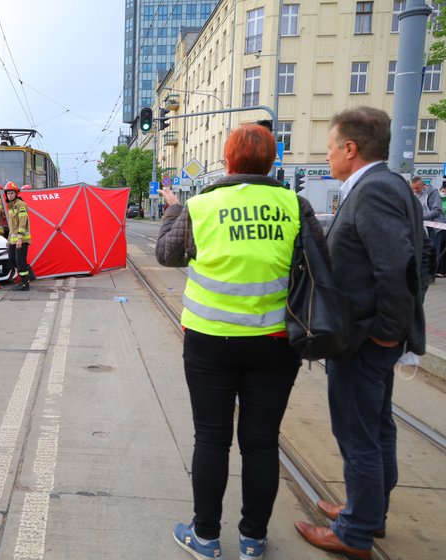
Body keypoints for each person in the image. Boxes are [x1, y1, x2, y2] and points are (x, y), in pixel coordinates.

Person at [156, 124, 327, 560]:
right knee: (261, 441)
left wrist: (174, 211)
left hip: (209, 341)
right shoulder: (295, 204)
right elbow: (320, 264)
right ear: (272, 161)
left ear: (228, 161)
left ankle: (206, 537)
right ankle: (253, 540)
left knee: (211, 438)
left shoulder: (204, 204)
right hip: (275, 343)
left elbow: (167, 255)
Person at [294, 107, 426, 560]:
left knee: (359, 435)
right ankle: (369, 513)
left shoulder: (373, 191)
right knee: (376, 427)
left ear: (350, 149)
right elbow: (416, 259)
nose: (327, 155)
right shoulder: (388, 187)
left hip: (366, 339)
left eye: (330, 147)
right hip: (372, 335)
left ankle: (355, 532)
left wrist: (387, 334)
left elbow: (397, 267)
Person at [409, 176, 444, 284]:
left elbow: (437, 210)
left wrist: (421, 216)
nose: (415, 191)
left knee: (433, 250)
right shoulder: (413, 194)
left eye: (417, 188)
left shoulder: (432, 192)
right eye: (413, 188)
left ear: (423, 186)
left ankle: (431, 275)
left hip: (435, 226)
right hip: (422, 225)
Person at [3, 182, 34, 291]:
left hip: (22, 240)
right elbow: (12, 226)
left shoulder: (21, 205)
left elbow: (22, 223)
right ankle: (28, 273)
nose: (9, 195)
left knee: (20, 261)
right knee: (12, 259)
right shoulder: (11, 206)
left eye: (12, 193)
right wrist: (8, 239)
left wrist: (20, 239)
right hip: (13, 239)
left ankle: (25, 283)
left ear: (16, 193)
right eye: (8, 194)